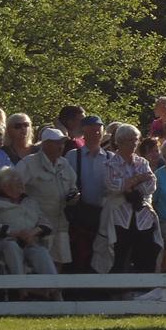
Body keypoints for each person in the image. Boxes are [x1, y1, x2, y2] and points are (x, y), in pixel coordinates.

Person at [0, 167, 59, 295]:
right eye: (17, 181)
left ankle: (54, 289)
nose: (22, 184)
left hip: (30, 241)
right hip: (4, 242)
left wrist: (32, 232)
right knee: (11, 246)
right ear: (5, 186)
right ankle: (21, 289)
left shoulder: (30, 202)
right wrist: (16, 233)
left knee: (41, 252)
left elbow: (46, 223)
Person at [99, 124, 163, 274]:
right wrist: (138, 178)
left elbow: (150, 186)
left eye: (136, 140)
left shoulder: (143, 163)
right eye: (130, 140)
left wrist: (129, 184)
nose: (134, 144)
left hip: (142, 216)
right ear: (119, 142)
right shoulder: (110, 164)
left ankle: (145, 290)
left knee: (146, 254)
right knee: (118, 255)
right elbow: (113, 185)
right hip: (119, 217)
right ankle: (116, 291)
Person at [13, 127, 79, 269]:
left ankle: (55, 291)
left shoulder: (65, 164)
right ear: (45, 144)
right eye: (56, 143)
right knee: (38, 262)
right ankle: (39, 291)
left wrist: (74, 196)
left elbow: (73, 186)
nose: (60, 146)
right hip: (38, 226)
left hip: (61, 223)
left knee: (59, 260)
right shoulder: (28, 163)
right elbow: (13, 188)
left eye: (62, 142)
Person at [65, 115, 110, 273]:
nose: (96, 133)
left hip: (103, 215)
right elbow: (66, 182)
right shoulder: (72, 156)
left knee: (101, 253)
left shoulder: (111, 158)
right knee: (79, 254)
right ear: (83, 131)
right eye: (92, 129)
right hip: (79, 215)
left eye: (99, 130)